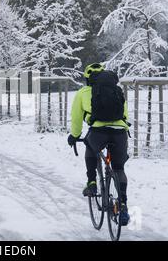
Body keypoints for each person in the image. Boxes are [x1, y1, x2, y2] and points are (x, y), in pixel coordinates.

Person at [67, 63, 131, 226]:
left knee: (90, 149)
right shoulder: (116, 90)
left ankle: (92, 183)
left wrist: (74, 136)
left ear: (88, 79)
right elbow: (124, 114)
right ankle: (123, 205)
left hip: (98, 132)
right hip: (120, 132)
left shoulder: (83, 93)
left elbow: (76, 117)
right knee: (119, 169)